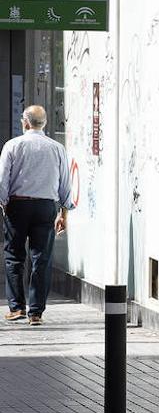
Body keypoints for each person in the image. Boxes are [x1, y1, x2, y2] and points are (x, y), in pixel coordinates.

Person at [0, 105, 73, 326]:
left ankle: (16, 308)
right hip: (45, 207)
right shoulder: (57, 148)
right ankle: (36, 313)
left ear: (25, 122)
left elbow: (3, 178)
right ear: (45, 123)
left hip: (18, 205)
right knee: (42, 258)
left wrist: (3, 204)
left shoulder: (13, 145)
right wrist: (64, 212)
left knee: (14, 256)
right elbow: (65, 182)